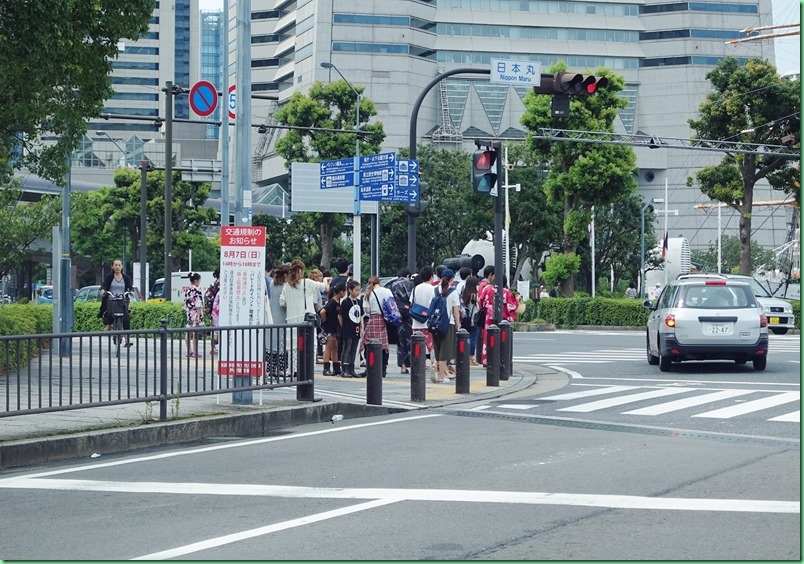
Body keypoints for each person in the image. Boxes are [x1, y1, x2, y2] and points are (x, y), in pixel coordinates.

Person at [279, 260, 330, 375]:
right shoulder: (307, 283)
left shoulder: (287, 285)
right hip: (306, 320)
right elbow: (325, 287)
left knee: (293, 346)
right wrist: (327, 279)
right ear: (302, 271)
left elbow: (282, 302)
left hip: (291, 320)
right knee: (310, 345)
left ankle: (294, 369)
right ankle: (307, 368)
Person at [431, 269, 461, 384]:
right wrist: (458, 324)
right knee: (445, 351)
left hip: (435, 323)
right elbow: (456, 310)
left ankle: (435, 365)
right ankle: (441, 377)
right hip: (448, 323)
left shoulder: (434, 290)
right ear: (452, 279)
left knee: (438, 349)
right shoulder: (453, 292)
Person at [362, 275, 394, 377]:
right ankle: (383, 369)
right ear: (379, 282)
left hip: (373, 319)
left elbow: (367, 310)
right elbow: (392, 304)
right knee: (384, 345)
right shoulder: (387, 291)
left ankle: (370, 367)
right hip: (384, 319)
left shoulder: (368, 293)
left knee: (369, 343)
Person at [99, 258, 135, 347]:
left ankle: (127, 340)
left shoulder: (126, 278)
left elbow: (130, 287)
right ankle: (108, 325)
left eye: (119, 265)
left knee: (126, 318)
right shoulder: (109, 277)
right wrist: (102, 291)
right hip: (111, 300)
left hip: (122, 300)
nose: (117, 267)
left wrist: (131, 291)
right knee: (110, 313)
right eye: (115, 265)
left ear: (122, 266)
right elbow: (103, 286)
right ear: (112, 266)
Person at [266, 264, 289, 381]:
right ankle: (280, 369)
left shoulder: (271, 284)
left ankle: (270, 369)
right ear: (285, 275)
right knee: (281, 344)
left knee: (270, 344)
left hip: (270, 318)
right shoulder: (286, 287)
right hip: (281, 318)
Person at [389, 268, 414, 374]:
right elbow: (411, 298)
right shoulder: (409, 284)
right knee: (410, 339)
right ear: (407, 275)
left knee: (400, 340)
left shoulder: (392, 285)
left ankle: (403, 366)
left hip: (397, 314)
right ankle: (412, 362)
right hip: (408, 314)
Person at [410, 265, 436, 367]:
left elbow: (411, 302)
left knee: (418, 345)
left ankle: (419, 364)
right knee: (431, 344)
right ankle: (434, 363)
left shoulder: (415, 289)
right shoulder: (433, 289)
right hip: (428, 321)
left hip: (416, 321)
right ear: (431, 276)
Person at [338, 280, 364, 378]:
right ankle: (344, 369)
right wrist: (343, 326)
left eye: (359, 290)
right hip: (347, 327)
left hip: (356, 327)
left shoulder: (359, 301)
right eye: (356, 290)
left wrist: (362, 327)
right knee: (347, 348)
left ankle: (351, 368)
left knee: (354, 348)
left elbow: (361, 315)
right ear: (350, 290)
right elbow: (340, 316)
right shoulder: (345, 302)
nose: (358, 292)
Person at [321, 283, 346, 376]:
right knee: (328, 347)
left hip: (334, 327)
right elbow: (323, 311)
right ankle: (326, 368)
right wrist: (325, 320)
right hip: (330, 327)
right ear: (341, 292)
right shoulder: (332, 302)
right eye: (344, 291)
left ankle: (336, 367)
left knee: (335, 347)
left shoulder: (337, 302)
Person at [477, 265, 496, 365]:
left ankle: (484, 358)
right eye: (494, 275)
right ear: (490, 275)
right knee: (490, 337)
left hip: (485, 313)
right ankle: (488, 359)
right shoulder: (488, 287)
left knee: (485, 337)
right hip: (489, 314)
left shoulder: (481, 284)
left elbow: (480, 300)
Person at [460, 274, 481, 365]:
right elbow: (479, 306)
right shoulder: (474, 295)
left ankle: (465, 356)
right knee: (473, 338)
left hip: (466, 319)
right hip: (473, 319)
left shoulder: (464, 293)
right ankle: (471, 357)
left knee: (466, 338)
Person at [183, 272, 204, 357]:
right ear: (196, 280)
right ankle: (195, 351)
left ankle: (189, 351)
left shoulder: (188, 290)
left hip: (189, 313)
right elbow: (198, 304)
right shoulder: (197, 291)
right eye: (199, 280)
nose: (200, 282)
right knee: (195, 333)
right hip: (196, 314)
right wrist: (198, 316)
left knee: (188, 332)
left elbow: (185, 303)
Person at [204, 268, 220, 355]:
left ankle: (213, 347)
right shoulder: (220, 284)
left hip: (213, 310)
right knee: (219, 329)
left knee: (214, 328)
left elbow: (207, 296)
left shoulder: (213, 284)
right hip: (218, 310)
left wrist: (209, 308)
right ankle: (216, 347)